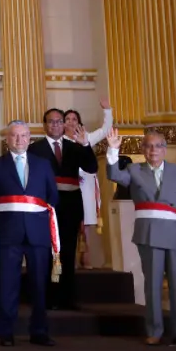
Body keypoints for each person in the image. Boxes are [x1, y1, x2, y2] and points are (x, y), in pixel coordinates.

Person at [105, 128, 176, 347]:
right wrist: (112, 149)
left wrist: (174, 218)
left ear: (165, 149)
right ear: (143, 150)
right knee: (153, 284)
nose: (153, 150)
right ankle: (155, 331)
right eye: (148, 146)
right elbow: (114, 175)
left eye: (158, 146)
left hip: (174, 232)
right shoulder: (133, 169)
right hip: (148, 233)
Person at [0, 122, 59, 347]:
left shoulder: (43, 164)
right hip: (9, 234)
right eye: (14, 136)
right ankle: (5, 332)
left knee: (40, 285)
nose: (19, 140)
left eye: (24, 135)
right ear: (7, 139)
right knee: (7, 285)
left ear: (30, 138)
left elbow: (53, 197)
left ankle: (39, 331)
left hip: (38, 233)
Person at [27, 108, 97, 310]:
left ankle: (67, 298)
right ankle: (48, 297)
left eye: (59, 121)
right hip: (45, 205)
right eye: (51, 122)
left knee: (67, 251)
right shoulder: (35, 149)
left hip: (71, 205)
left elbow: (92, 167)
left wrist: (85, 145)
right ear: (44, 125)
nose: (56, 125)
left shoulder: (75, 147)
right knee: (47, 251)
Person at [62, 99, 113, 269]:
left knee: (86, 225)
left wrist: (107, 110)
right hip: (68, 188)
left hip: (86, 187)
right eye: (67, 119)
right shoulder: (58, 142)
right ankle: (70, 261)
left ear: (79, 123)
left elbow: (105, 130)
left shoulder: (86, 138)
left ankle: (87, 260)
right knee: (69, 224)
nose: (70, 121)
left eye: (74, 119)